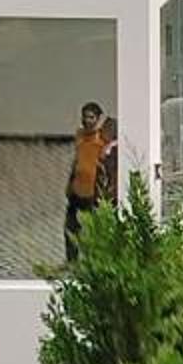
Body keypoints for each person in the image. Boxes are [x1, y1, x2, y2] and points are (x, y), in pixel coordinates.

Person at [63, 102, 107, 259]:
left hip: (92, 192)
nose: (87, 121)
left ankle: (94, 259)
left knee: (93, 228)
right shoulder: (80, 135)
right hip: (77, 189)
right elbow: (77, 160)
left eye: (91, 117)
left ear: (98, 119)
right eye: (85, 117)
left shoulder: (101, 141)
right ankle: (72, 260)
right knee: (70, 227)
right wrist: (70, 183)